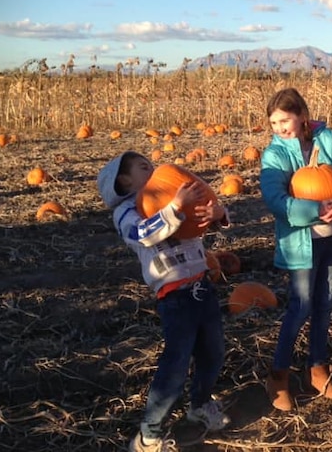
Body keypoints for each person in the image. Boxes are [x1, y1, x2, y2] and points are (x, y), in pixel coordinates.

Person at [97, 151, 231, 452]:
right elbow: (143, 235)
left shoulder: (172, 193)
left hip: (202, 287)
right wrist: (174, 207)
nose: (153, 168)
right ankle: (149, 434)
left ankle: (199, 404)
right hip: (174, 297)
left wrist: (217, 215)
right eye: (143, 167)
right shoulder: (126, 211)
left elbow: (200, 221)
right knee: (176, 365)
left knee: (213, 353)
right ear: (124, 180)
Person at [260, 87, 332, 411]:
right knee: (301, 304)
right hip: (300, 244)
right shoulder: (274, 154)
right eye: (275, 123)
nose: (281, 128)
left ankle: (318, 369)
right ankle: (278, 374)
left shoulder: (328, 140)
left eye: (286, 120)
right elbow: (275, 200)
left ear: (302, 116)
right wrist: (315, 209)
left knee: (326, 303)